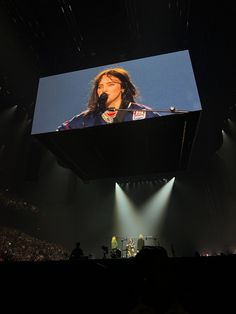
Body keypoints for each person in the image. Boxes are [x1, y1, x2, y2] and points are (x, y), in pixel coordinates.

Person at [57, 67, 160, 130]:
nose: (104, 90)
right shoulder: (87, 118)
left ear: (123, 88)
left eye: (110, 84)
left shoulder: (141, 113)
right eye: (100, 86)